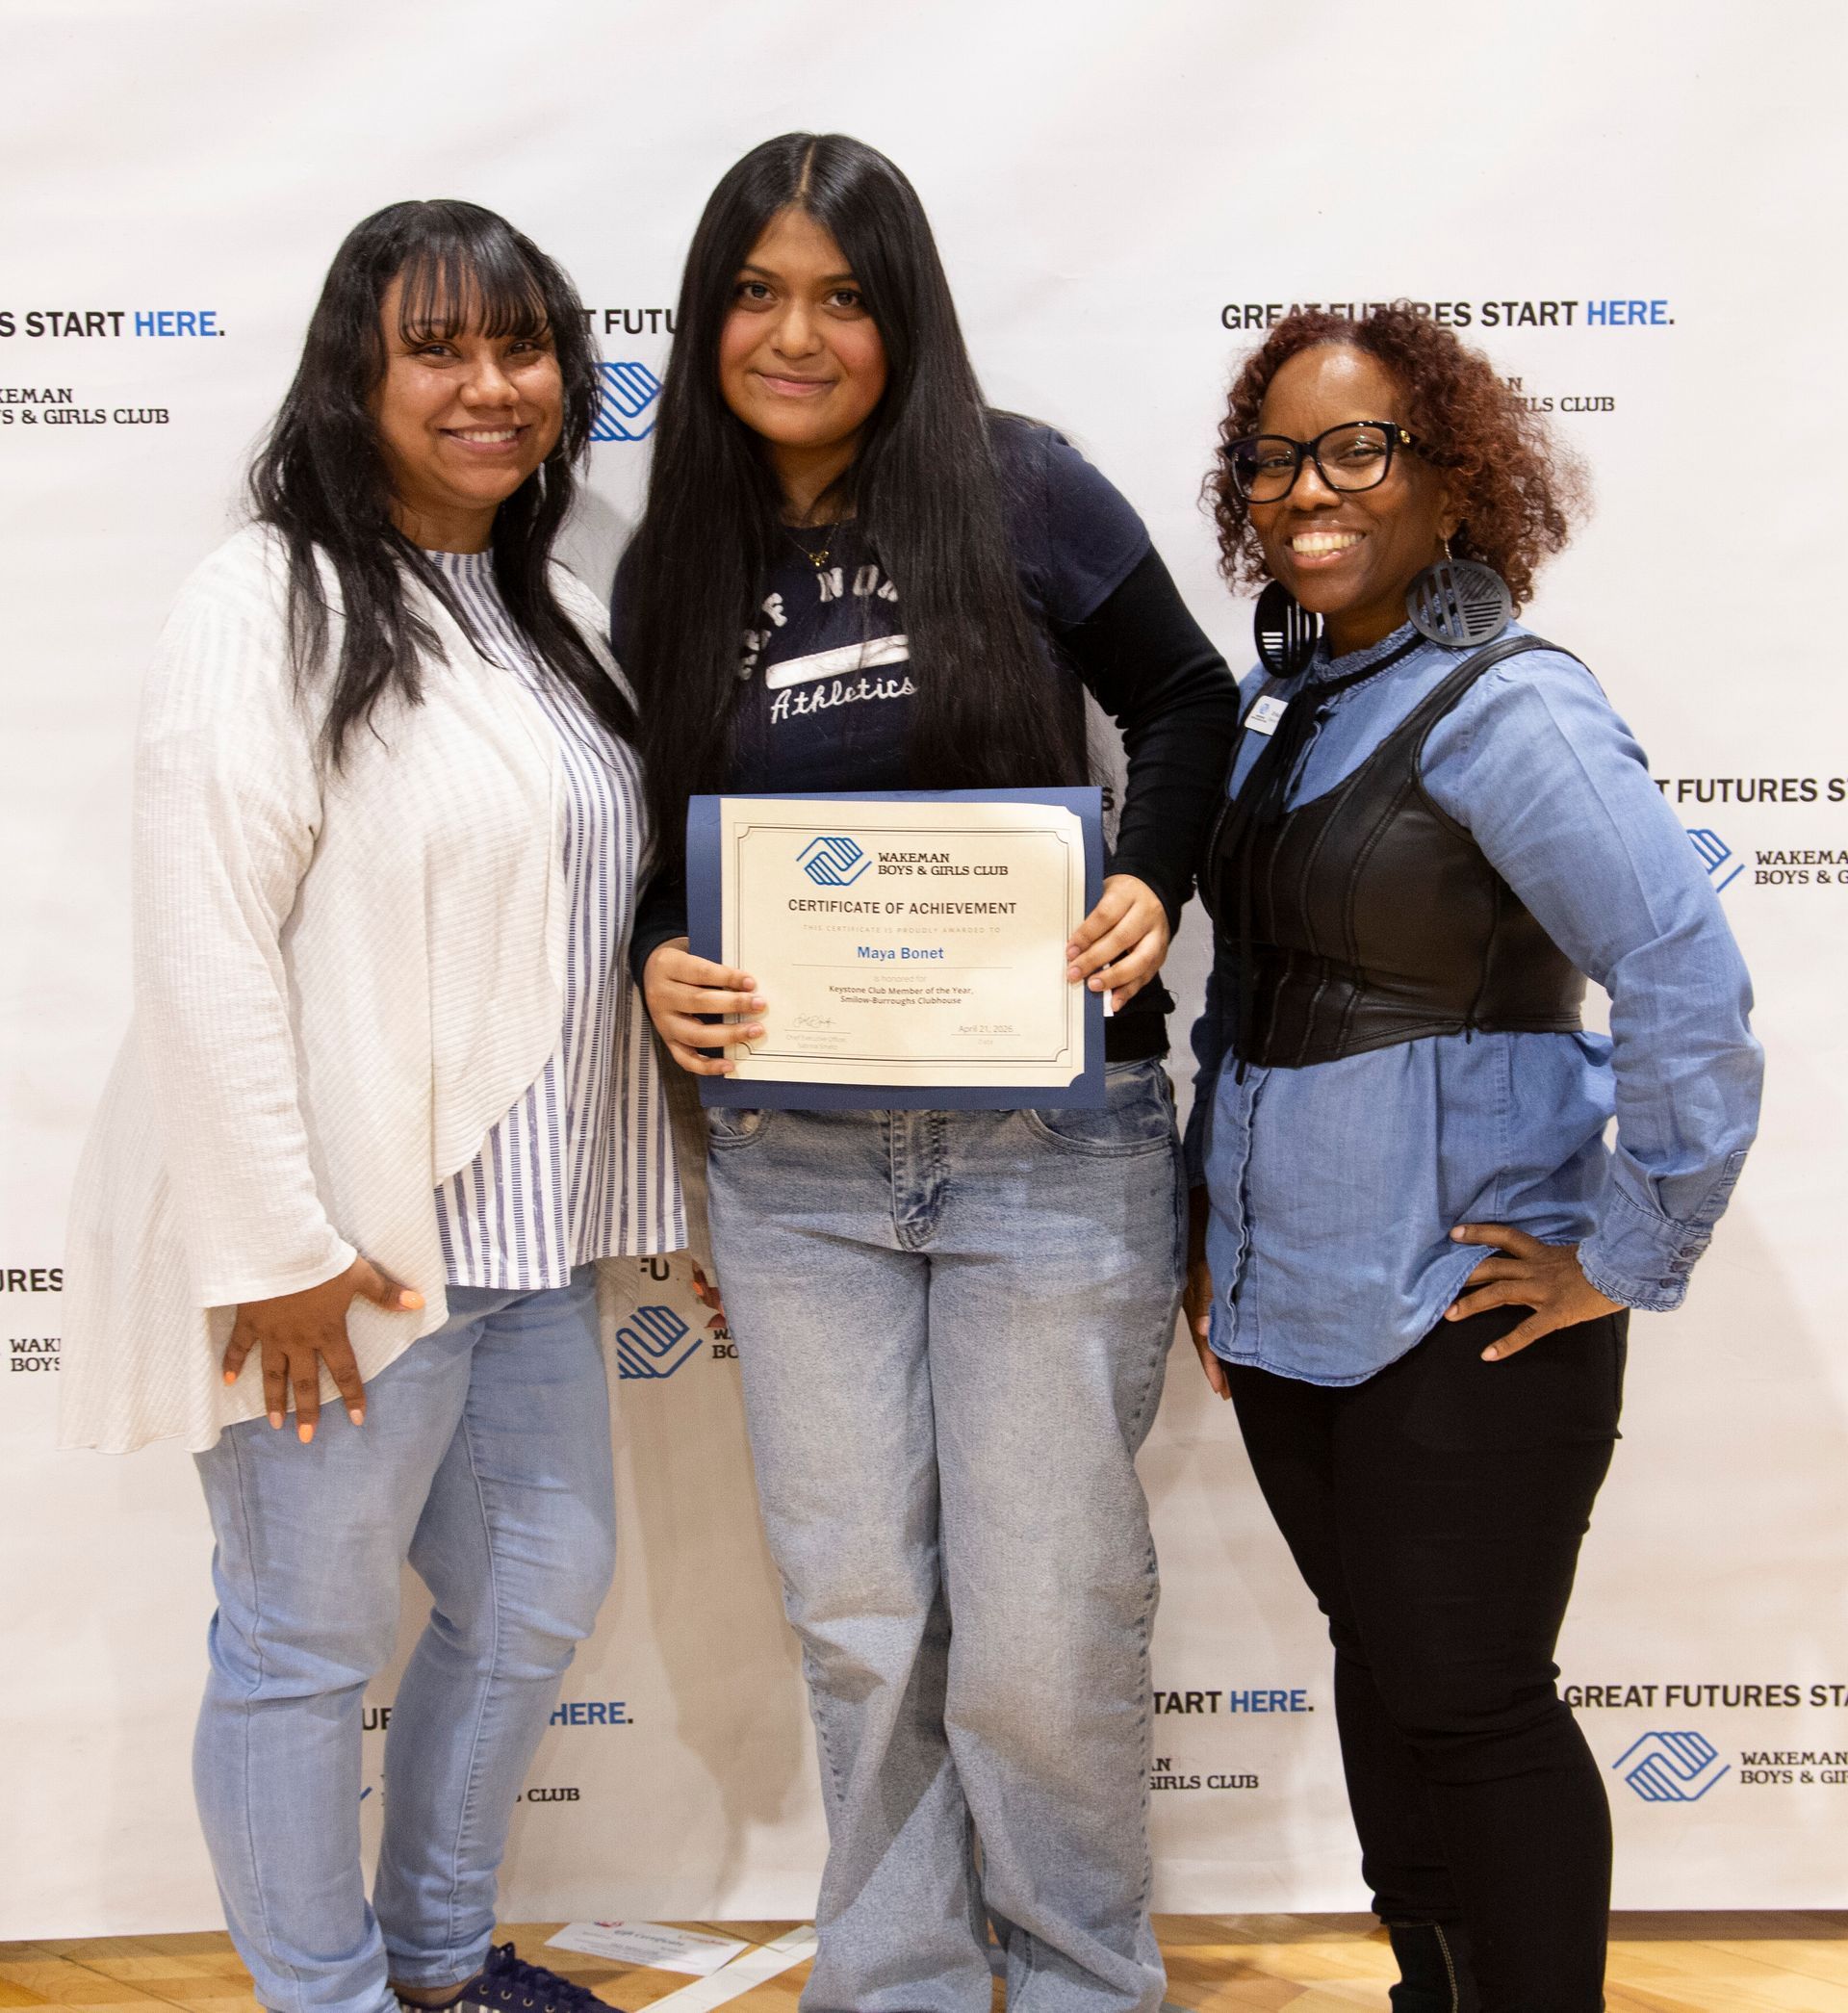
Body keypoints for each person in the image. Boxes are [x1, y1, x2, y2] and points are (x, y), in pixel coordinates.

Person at [617, 134, 1240, 2013]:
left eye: (843, 296)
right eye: (756, 293)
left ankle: (1078, 1979)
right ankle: (895, 1980)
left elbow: (1186, 699)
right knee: (863, 1620)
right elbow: (669, 843)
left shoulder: (1016, 482)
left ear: (903, 315)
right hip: (795, 1171)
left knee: (1043, 1629)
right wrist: (663, 954)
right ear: (709, 316)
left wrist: (1150, 878)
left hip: (1050, 1146)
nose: (795, 334)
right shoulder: (674, 561)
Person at [62, 200, 681, 2013]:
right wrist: (274, 1249)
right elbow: (204, 938)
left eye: (520, 345)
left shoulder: (559, 613)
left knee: (535, 1597)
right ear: (356, 373)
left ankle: (435, 1966)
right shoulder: (264, 598)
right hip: (341, 1252)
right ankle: (324, 1998)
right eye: (437, 348)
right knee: (302, 1647)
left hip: (528, 1241)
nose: (489, 385)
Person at [1184, 305, 1761, 2013]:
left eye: (1358, 450)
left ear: (1454, 481)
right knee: (1384, 1668)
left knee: (1472, 1697)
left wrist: (1630, 1251)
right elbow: (1249, 995)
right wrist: (1211, 1231)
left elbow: (1684, 981)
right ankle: (1430, 1993)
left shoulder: (1514, 707)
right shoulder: (1288, 700)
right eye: (1277, 458)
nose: (1311, 489)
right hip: (1293, 1301)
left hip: (1464, 1302)